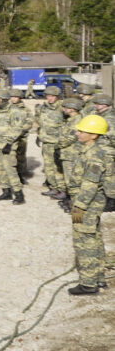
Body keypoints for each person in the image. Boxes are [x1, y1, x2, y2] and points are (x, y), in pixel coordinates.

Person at [64, 115, 115, 295]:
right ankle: (98, 277)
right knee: (93, 237)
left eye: (82, 131)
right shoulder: (90, 150)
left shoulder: (94, 155)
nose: (78, 133)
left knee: (83, 241)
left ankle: (88, 284)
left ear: (94, 135)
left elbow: (90, 184)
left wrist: (78, 206)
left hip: (86, 204)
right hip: (89, 202)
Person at [0, 90, 25, 204]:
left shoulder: (14, 111)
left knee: (10, 169)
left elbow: (17, 128)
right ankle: (6, 191)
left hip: (7, 146)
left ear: (4, 100)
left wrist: (9, 143)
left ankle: (19, 194)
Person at [35, 85, 67, 199]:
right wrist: (39, 135)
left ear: (57, 96)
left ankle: (62, 189)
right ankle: (53, 187)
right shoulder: (43, 108)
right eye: (48, 96)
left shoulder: (63, 108)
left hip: (57, 142)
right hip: (46, 141)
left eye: (52, 96)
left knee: (58, 167)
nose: (50, 98)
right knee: (48, 166)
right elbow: (39, 121)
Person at [56, 98, 84, 211]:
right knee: (70, 181)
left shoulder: (76, 121)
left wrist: (56, 145)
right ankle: (71, 202)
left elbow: (70, 138)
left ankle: (75, 208)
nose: (63, 109)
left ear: (72, 109)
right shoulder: (71, 120)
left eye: (65, 107)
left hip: (72, 155)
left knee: (72, 182)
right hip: (68, 154)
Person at [7, 88, 31, 180]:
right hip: (9, 137)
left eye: (15, 97)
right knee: (9, 157)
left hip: (21, 137)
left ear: (20, 98)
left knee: (20, 157)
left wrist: (22, 131)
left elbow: (29, 122)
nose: (13, 99)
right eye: (11, 97)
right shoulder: (7, 108)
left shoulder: (25, 109)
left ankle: (20, 175)